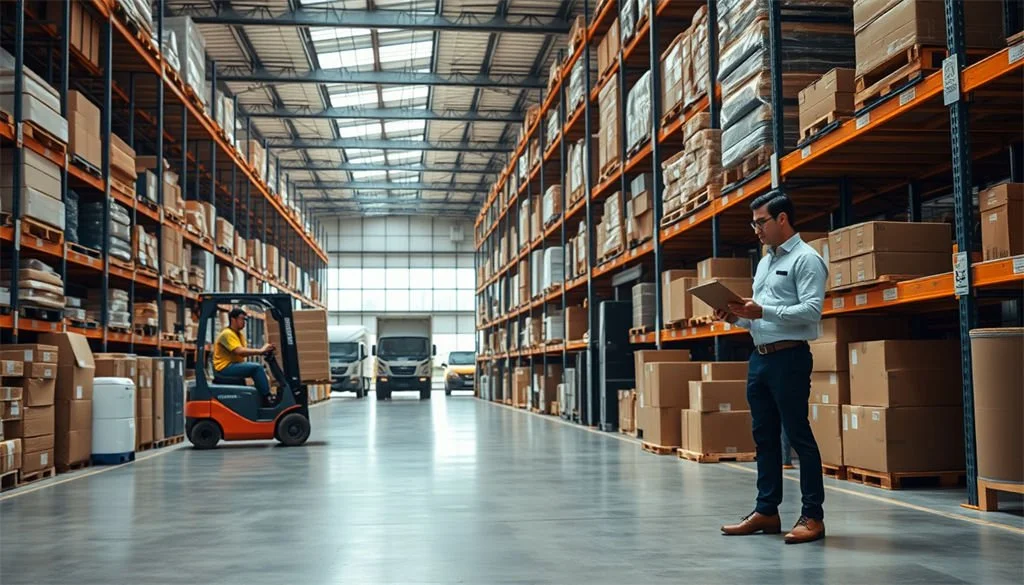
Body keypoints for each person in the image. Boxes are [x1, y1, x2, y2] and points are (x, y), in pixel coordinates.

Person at [715, 191, 828, 545]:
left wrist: (761, 312)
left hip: (790, 358)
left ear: (782, 219)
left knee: (797, 436)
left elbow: (811, 311)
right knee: (763, 438)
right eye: (754, 223)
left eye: (761, 222)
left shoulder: (807, 260)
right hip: (760, 357)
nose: (756, 230)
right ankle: (767, 510)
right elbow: (757, 318)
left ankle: (813, 516)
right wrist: (734, 316)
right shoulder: (764, 263)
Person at [213, 307, 276, 404]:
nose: (244, 322)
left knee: (256, 369)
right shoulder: (227, 334)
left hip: (233, 365)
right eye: (242, 319)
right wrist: (260, 351)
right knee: (257, 368)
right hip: (225, 367)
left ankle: (260, 398)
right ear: (233, 319)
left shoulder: (239, 335)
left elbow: (244, 352)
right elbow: (240, 351)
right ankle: (267, 398)